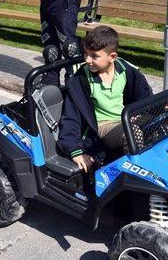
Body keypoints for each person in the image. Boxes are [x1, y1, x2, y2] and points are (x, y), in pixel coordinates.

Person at [57, 26, 153, 173]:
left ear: (112, 57)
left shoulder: (126, 70)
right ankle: (136, 177)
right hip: (103, 127)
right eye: (85, 54)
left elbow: (145, 97)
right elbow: (70, 117)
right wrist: (75, 151)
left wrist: (162, 107)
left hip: (126, 118)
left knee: (167, 122)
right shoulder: (80, 81)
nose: (87, 60)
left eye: (94, 56)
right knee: (132, 133)